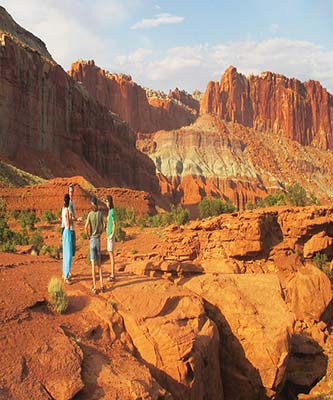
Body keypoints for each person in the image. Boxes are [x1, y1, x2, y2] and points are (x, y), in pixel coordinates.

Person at [85, 196, 104, 294]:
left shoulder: (90, 214)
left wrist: (88, 236)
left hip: (92, 240)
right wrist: (100, 233)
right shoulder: (100, 214)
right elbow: (103, 225)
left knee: (93, 265)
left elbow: (85, 227)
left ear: (91, 204)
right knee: (99, 264)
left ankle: (95, 287)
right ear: (97, 204)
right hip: (98, 240)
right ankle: (102, 285)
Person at [62, 194, 73, 284]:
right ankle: (66, 276)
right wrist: (73, 219)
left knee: (65, 253)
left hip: (64, 232)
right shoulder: (67, 211)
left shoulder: (63, 210)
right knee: (69, 255)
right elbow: (69, 224)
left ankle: (65, 273)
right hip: (68, 231)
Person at [106, 195, 116, 282]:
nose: (106, 203)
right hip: (108, 235)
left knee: (111, 255)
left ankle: (113, 274)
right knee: (110, 254)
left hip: (110, 236)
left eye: (107, 201)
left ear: (109, 202)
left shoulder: (112, 211)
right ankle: (112, 273)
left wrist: (112, 234)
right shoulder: (110, 211)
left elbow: (114, 223)